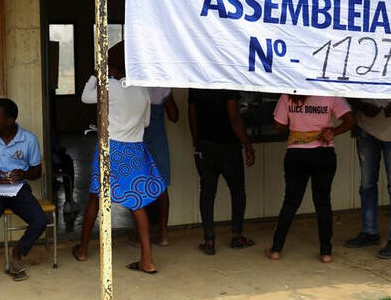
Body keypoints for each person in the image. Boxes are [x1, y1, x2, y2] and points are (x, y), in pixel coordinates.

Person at [72, 42, 166, 274]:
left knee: (95, 197)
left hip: (110, 148)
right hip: (135, 149)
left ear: (111, 67)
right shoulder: (142, 90)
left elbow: (85, 97)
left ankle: (82, 250)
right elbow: (145, 123)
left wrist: (96, 74)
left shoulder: (109, 88)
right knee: (137, 203)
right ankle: (147, 259)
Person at [0, 98, 47, 298]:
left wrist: (24, 174)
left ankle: (17, 253)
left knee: (40, 220)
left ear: (10, 121)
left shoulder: (28, 139)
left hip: (17, 189)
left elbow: (37, 171)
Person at [265, 94, 354, 263]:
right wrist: (333, 131)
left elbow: (279, 125)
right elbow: (350, 120)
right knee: (322, 202)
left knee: (291, 201)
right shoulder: (329, 92)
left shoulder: (288, 94)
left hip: (296, 153)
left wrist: (297, 123)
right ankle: (326, 253)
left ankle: (276, 249)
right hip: (323, 153)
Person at [188, 88, 256, 255]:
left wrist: (197, 141)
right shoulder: (227, 81)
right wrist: (248, 146)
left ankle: (209, 241)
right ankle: (236, 236)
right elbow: (234, 116)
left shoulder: (197, 81)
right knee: (238, 191)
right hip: (228, 147)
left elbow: (192, 114)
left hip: (205, 146)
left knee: (207, 193)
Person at [345, 99, 391, 259]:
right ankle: (369, 231)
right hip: (367, 127)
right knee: (367, 184)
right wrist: (361, 105)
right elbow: (346, 88)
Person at [143, 87, 179, 246]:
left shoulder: (133, 83)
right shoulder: (161, 86)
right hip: (158, 139)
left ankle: (142, 236)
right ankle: (163, 233)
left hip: (138, 137)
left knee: (140, 187)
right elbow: (174, 116)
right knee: (162, 186)